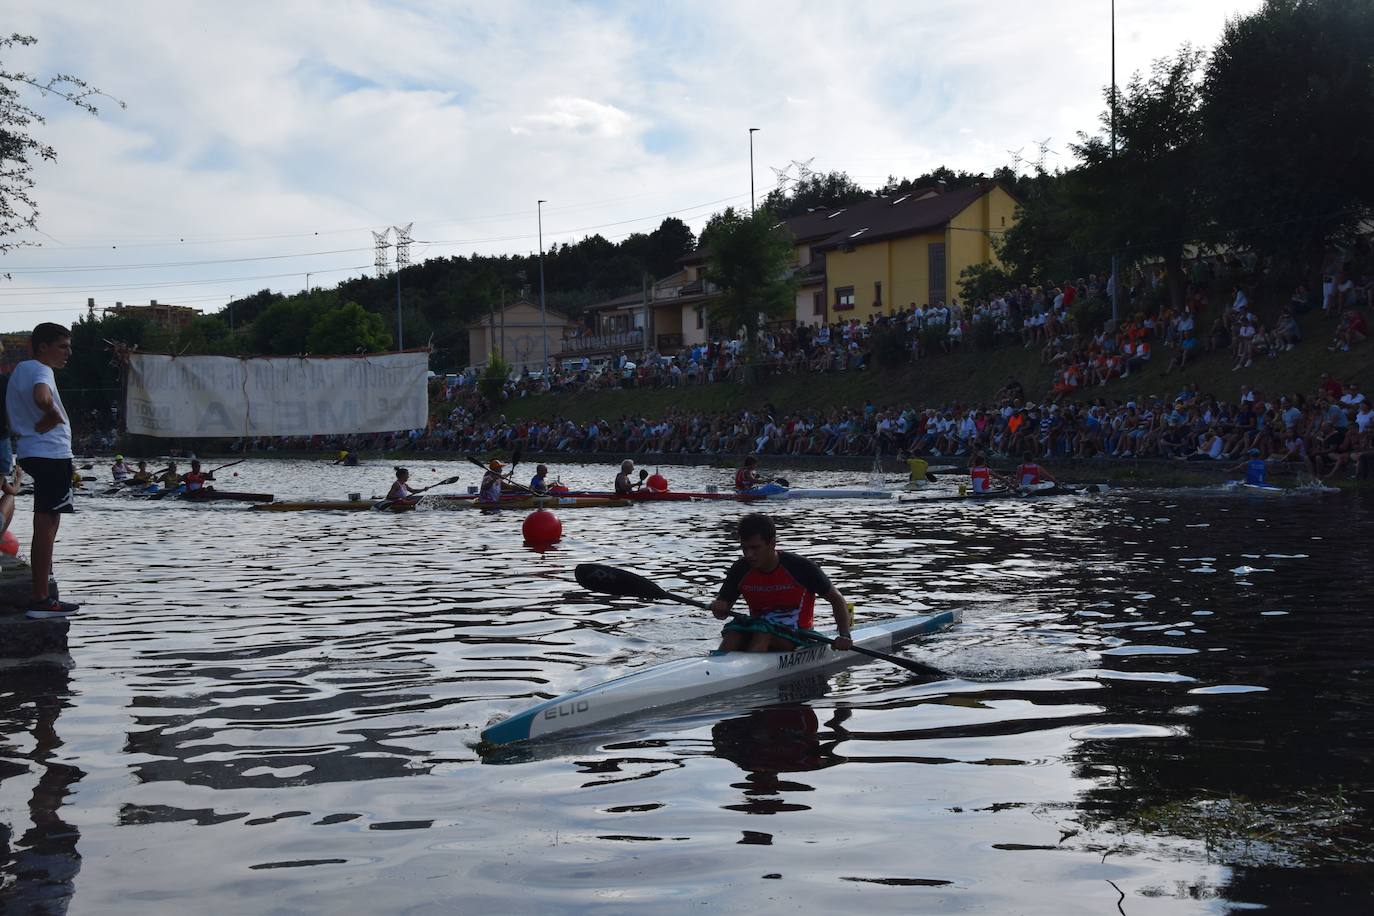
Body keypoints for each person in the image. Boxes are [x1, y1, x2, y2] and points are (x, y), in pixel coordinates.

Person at [5, 322, 80, 618]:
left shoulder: (20, 369)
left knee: (44, 523)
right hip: (51, 454)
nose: (68, 353)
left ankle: (41, 593)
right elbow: (41, 396)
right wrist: (52, 413)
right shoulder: (41, 370)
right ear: (43, 347)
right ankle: (41, 599)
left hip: (31, 451)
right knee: (48, 526)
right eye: (63, 346)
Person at [708, 513, 853, 653]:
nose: (749, 555)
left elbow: (836, 599)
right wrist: (719, 607)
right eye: (744, 548)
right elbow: (722, 613)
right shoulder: (740, 569)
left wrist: (844, 635)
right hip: (759, 628)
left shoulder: (800, 567)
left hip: (799, 635)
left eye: (755, 548)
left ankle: (753, 672)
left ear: (772, 543)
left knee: (763, 634)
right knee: (733, 633)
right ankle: (714, 670)